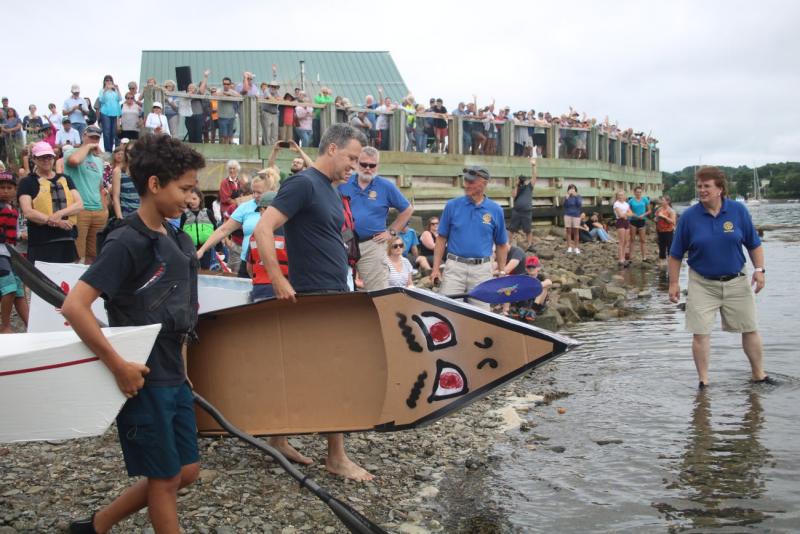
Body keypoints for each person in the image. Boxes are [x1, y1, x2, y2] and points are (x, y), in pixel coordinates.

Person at [62, 134, 205, 534]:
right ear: (155, 184)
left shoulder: (175, 238)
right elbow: (76, 306)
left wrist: (185, 368)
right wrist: (119, 365)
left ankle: (96, 526)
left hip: (174, 373)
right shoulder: (126, 241)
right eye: (186, 189)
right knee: (164, 478)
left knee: (186, 469)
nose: (191, 198)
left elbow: (183, 316)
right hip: (143, 377)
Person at [253, 123, 374, 481]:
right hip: (312, 292)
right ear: (332, 149)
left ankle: (278, 438)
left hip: (333, 289)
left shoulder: (329, 190)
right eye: (351, 157)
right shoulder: (303, 183)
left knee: (298, 369)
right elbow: (263, 228)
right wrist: (277, 278)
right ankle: (336, 457)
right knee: (334, 371)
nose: (354, 165)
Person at [668, 166, 772, 388]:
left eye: (707, 186)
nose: (702, 190)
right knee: (700, 332)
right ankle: (704, 381)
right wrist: (674, 283)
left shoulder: (738, 211)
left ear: (720, 189)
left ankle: (759, 375)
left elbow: (754, 244)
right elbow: (675, 254)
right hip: (702, 283)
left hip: (737, 280)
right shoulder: (688, 217)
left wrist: (760, 270)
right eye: (699, 186)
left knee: (750, 327)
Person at [431, 165, 508, 310]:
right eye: (465, 181)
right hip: (454, 267)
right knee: (447, 311)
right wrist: (435, 269)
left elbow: (501, 244)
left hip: (482, 270)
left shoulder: (496, 210)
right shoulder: (452, 206)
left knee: (482, 314)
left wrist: (502, 272)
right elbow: (441, 239)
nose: (466, 185)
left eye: (471, 182)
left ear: (484, 183)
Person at [337, 146, 414, 291]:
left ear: (377, 166)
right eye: (363, 164)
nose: (367, 168)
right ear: (357, 163)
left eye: (372, 165)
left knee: (378, 291)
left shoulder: (385, 186)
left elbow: (407, 209)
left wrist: (391, 232)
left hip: (372, 244)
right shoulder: (343, 182)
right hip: (343, 242)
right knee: (339, 287)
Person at [17, 142, 83, 264]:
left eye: (49, 156)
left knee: (66, 280)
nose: (46, 160)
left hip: (67, 239)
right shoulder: (27, 182)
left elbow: (79, 204)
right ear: (34, 159)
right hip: (41, 242)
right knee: (40, 280)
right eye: (42, 157)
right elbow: (28, 212)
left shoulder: (66, 179)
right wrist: (56, 222)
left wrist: (60, 214)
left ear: (54, 158)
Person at [197, 175, 271, 277]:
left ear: (270, 191)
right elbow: (224, 230)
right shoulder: (246, 207)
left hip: (271, 263)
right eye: (253, 191)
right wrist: (202, 250)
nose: (255, 195)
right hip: (247, 262)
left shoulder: (278, 207)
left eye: (259, 192)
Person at [64, 126, 107, 264]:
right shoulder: (71, 151)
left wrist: (104, 209)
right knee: (77, 254)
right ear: (84, 136)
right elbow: (74, 161)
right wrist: (87, 147)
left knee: (94, 254)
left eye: (96, 138)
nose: (94, 141)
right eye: (91, 137)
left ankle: (87, 285)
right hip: (79, 210)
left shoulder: (99, 161)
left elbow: (100, 187)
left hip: (98, 210)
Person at [0, 171, 29, 333]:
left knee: (19, 291)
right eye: (1, 187)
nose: (5, 191)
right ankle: (5, 326)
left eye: (9, 187)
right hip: (1, 254)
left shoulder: (13, 208)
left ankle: (31, 325)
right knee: (9, 288)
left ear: (14, 189)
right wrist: (20, 235)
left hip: (12, 254)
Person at [246, 192, 285, 300]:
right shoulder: (291, 232)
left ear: (264, 210)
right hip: (285, 288)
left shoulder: (256, 234)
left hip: (260, 289)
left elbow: (249, 267)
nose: (259, 214)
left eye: (260, 210)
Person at [181, 187, 218, 269]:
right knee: (192, 270)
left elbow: (216, 230)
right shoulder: (185, 214)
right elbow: (181, 233)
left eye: (194, 199)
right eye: (190, 199)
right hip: (190, 249)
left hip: (207, 248)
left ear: (200, 199)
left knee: (206, 270)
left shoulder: (207, 212)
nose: (192, 201)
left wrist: (219, 247)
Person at [510, 255, 552, 322]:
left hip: (537, 303)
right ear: (526, 268)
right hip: (524, 302)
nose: (531, 268)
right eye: (529, 267)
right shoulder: (523, 276)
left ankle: (533, 310)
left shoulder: (541, 277)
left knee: (544, 287)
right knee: (516, 286)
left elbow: (549, 282)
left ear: (538, 268)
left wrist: (537, 285)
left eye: (533, 267)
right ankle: (519, 308)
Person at [509, 157, 538, 251]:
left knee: (528, 229)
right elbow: (513, 195)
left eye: (522, 180)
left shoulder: (529, 187)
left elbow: (534, 176)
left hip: (527, 211)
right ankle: (508, 244)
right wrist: (516, 184)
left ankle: (530, 245)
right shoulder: (517, 187)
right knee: (512, 228)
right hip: (517, 211)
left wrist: (533, 165)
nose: (522, 181)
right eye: (521, 180)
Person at [111, 144, 139, 219]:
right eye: (129, 151)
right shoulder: (118, 171)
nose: (131, 154)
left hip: (143, 216)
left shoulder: (142, 171)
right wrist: (120, 218)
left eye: (134, 151)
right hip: (126, 215)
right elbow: (115, 197)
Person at [97, 75, 122, 152]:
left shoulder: (114, 91)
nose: (108, 81)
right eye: (107, 80)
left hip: (114, 113)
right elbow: (102, 100)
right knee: (106, 132)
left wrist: (117, 89)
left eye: (110, 80)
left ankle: (112, 150)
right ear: (104, 82)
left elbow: (119, 99)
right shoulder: (102, 90)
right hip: (105, 113)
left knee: (113, 133)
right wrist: (105, 90)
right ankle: (108, 151)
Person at [628, 186, 651, 262]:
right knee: (632, 239)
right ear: (634, 192)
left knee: (643, 240)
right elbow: (628, 211)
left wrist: (643, 215)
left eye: (640, 192)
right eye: (637, 192)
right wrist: (633, 214)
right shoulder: (631, 201)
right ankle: (631, 257)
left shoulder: (645, 199)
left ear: (642, 192)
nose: (638, 193)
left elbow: (649, 211)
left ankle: (644, 257)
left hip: (642, 220)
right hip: (633, 221)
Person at [655, 195, 677, 268]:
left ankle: (671, 263)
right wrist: (656, 219)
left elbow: (673, 222)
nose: (661, 201)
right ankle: (662, 262)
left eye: (663, 200)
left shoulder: (671, 211)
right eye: (661, 200)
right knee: (661, 247)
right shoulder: (659, 210)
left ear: (667, 202)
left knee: (670, 247)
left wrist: (664, 217)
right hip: (660, 231)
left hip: (669, 231)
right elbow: (656, 219)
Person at [613, 190, 632, 267]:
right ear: (617, 196)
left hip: (626, 222)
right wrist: (626, 214)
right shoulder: (616, 204)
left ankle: (624, 257)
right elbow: (620, 215)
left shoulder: (626, 204)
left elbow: (631, 213)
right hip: (620, 222)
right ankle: (620, 259)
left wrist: (625, 214)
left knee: (626, 241)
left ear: (624, 196)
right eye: (619, 195)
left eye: (622, 195)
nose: (621, 197)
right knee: (621, 241)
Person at [563, 184, 582, 254]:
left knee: (576, 231)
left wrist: (576, 196)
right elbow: (565, 206)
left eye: (573, 188)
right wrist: (566, 198)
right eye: (570, 188)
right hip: (567, 215)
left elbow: (579, 204)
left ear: (575, 190)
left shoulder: (578, 196)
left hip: (576, 215)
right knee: (568, 231)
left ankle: (576, 248)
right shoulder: (567, 196)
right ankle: (569, 247)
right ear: (568, 190)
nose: (572, 190)